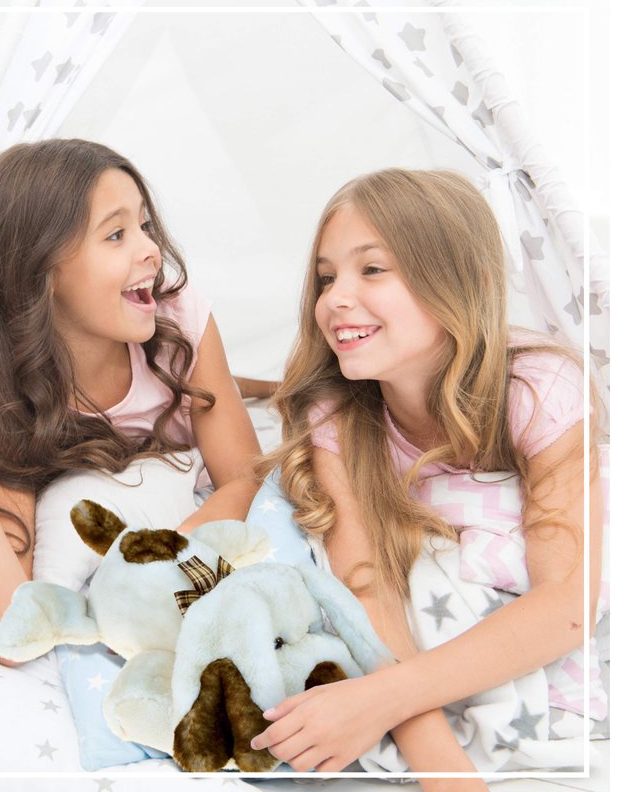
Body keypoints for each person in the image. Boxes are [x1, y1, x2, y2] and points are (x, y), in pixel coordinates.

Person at [249, 168, 603, 786]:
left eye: (372, 269)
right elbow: (369, 593)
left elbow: (568, 602)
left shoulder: (537, 388)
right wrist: (444, 772)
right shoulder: (336, 415)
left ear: (462, 283)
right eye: (326, 278)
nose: (335, 299)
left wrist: (382, 700)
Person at [0, 138, 262, 667]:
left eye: (145, 225)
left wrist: (163, 556)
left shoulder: (181, 322)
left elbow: (245, 479)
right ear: (43, 271)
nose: (150, 250)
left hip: (183, 417)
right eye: (116, 234)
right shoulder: (9, 405)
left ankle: (266, 386)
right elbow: (7, 634)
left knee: (254, 389)